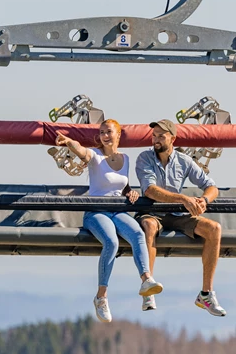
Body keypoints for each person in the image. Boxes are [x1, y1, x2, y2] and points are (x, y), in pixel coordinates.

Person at [55, 120, 163, 323]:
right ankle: (101, 297)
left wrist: (130, 192)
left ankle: (146, 280)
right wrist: (70, 142)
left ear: (118, 135)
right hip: (96, 212)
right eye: (102, 132)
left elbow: (122, 185)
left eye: (109, 132)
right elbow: (82, 152)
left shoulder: (125, 159)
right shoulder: (95, 156)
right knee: (112, 242)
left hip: (117, 210)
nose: (105, 135)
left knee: (138, 234)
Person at [135, 119, 226, 317]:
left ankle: (206, 293)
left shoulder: (184, 161)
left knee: (214, 229)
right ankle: (148, 287)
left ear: (173, 139)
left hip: (178, 214)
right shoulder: (144, 158)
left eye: (161, 136)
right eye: (154, 135)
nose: (156, 140)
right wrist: (184, 198)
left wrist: (204, 200)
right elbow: (150, 190)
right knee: (149, 226)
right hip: (153, 212)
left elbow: (211, 186)